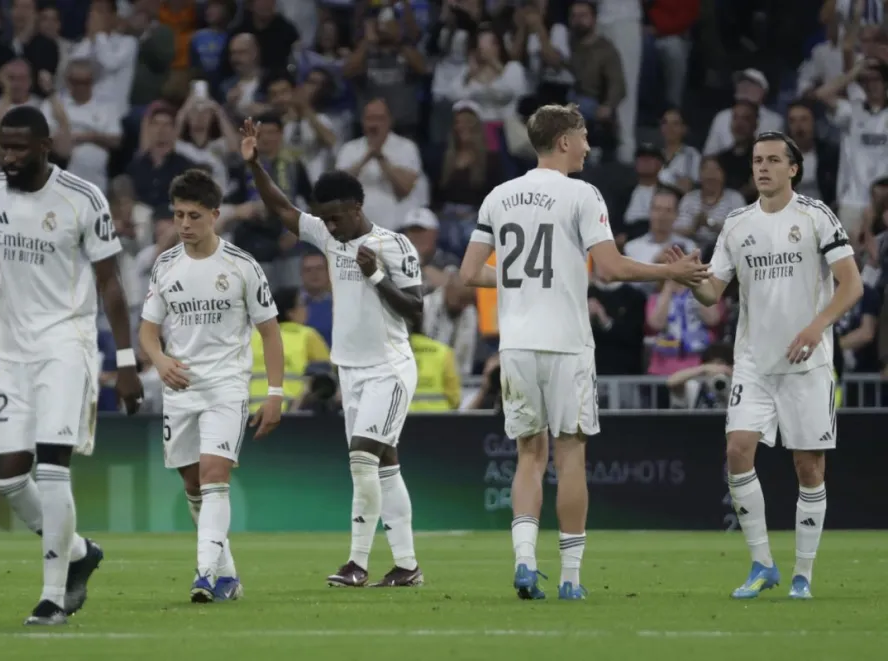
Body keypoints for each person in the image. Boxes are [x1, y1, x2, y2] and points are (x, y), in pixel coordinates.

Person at [457, 103, 709, 601]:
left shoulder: (499, 196)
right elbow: (612, 270)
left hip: (517, 346)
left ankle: (525, 562)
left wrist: (515, 281)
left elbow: (469, 273)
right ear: (566, 140)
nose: (590, 146)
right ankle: (571, 577)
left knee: (528, 456)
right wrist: (670, 274)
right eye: (585, 136)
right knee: (571, 457)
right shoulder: (582, 194)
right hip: (567, 345)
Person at [0, 105, 144, 626]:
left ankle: (54, 596)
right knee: (7, 480)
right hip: (11, 351)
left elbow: (111, 287)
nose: (8, 156)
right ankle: (78, 552)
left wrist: (125, 363)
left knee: (53, 469)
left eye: (18, 147)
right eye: (2, 146)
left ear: (45, 146)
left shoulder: (82, 198)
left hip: (65, 345)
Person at [672, 131, 863, 600]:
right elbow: (713, 293)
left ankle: (803, 573)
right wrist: (688, 280)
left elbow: (851, 284)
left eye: (774, 160)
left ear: (793, 168)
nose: (763, 167)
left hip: (807, 360)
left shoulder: (815, 216)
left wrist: (816, 327)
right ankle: (762, 565)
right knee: (737, 450)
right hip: (754, 361)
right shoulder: (737, 224)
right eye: (758, 159)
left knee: (808, 467)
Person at [240, 117, 425, 588]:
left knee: (363, 459)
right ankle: (407, 567)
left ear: (358, 207)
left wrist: (378, 276)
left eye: (338, 217)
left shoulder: (393, 246)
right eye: (325, 218)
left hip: (389, 368)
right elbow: (281, 209)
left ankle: (357, 564)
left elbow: (416, 314)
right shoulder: (328, 234)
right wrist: (256, 165)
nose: (331, 226)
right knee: (385, 466)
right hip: (352, 371)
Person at [138, 168, 284, 604]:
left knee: (214, 475)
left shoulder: (241, 265)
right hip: (180, 389)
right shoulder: (165, 265)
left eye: (194, 216)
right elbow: (147, 329)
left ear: (216, 215)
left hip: (226, 386)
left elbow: (271, 333)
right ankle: (228, 575)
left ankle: (203, 574)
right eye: (179, 215)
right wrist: (160, 359)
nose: (184, 224)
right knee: (192, 486)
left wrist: (274, 394)